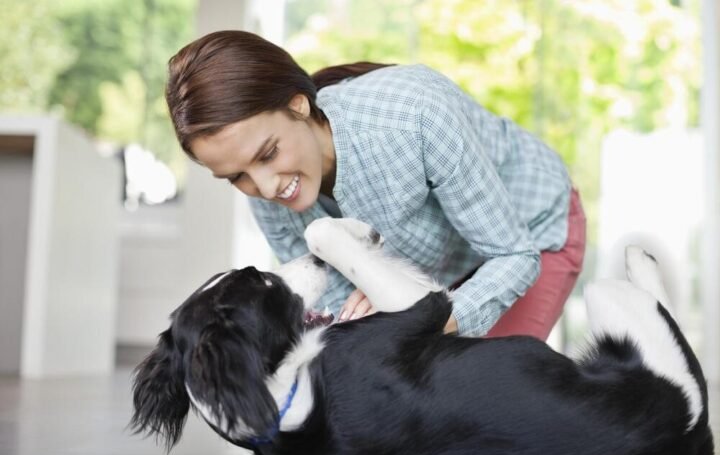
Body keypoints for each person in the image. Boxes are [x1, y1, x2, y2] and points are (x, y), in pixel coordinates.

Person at [165, 30, 586, 339]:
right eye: (237, 176)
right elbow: (336, 308)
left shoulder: (413, 113)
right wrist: (373, 310)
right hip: (429, 277)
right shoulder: (265, 196)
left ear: (298, 104)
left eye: (268, 153)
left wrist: (420, 318)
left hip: (529, 233)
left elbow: (513, 254)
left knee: (490, 404)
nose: (266, 187)